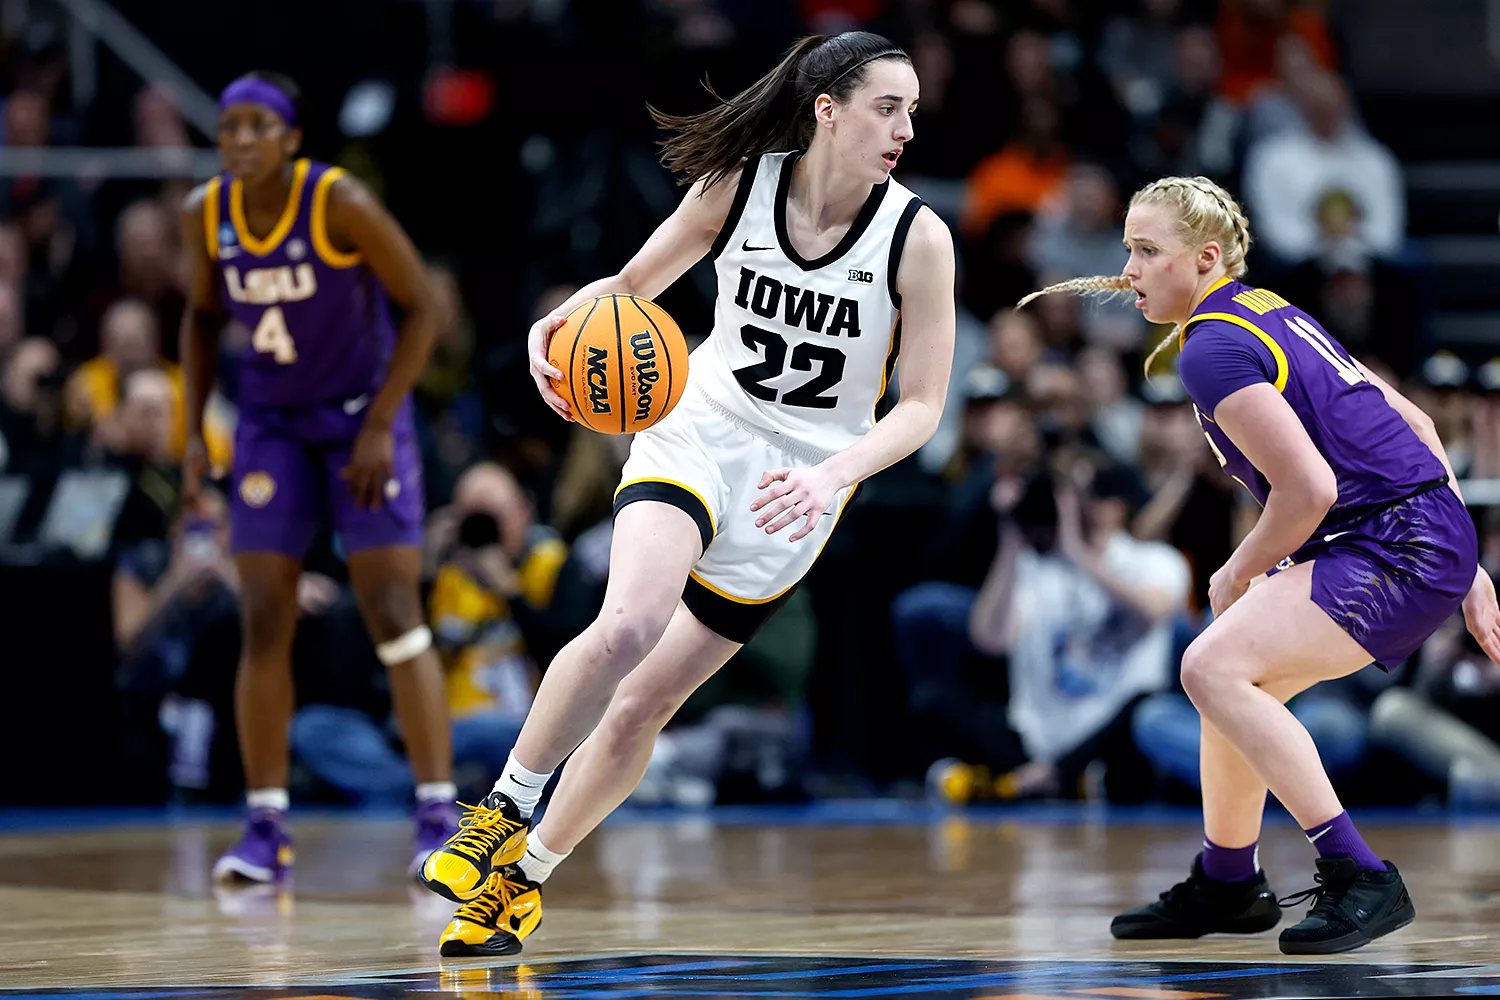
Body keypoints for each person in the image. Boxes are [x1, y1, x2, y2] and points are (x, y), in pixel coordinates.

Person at [418, 31, 955, 956]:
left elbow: (921, 408)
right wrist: (566, 320)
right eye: (888, 106)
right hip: (700, 426)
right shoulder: (739, 185)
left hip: (800, 483)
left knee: (641, 708)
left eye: (911, 109)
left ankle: (524, 880)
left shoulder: (919, 237)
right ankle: (500, 809)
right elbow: (632, 285)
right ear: (828, 110)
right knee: (628, 622)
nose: (907, 125)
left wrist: (835, 474)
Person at [1015, 175, 1500, 955]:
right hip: (1414, 531)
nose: (1130, 270)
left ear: (1205, 258)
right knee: (1236, 681)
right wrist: (1465, 559)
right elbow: (1405, 415)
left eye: (1146, 251)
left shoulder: (1211, 347)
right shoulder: (1266, 307)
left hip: (1392, 542)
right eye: (1126, 251)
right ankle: (1229, 881)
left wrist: (1236, 570)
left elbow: (1311, 488)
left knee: (1209, 665)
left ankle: (1359, 874)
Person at [179, 72, 456, 883]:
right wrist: (195, 428)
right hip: (270, 425)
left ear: (292, 140)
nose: (239, 140)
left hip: (359, 415)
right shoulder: (207, 213)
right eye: (229, 126)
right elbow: (198, 319)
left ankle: (438, 812)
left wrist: (379, 423)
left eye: (258, 125)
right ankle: (265, 824)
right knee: (263, 614)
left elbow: (426, 307)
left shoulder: (339, 203)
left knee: (394, 607)